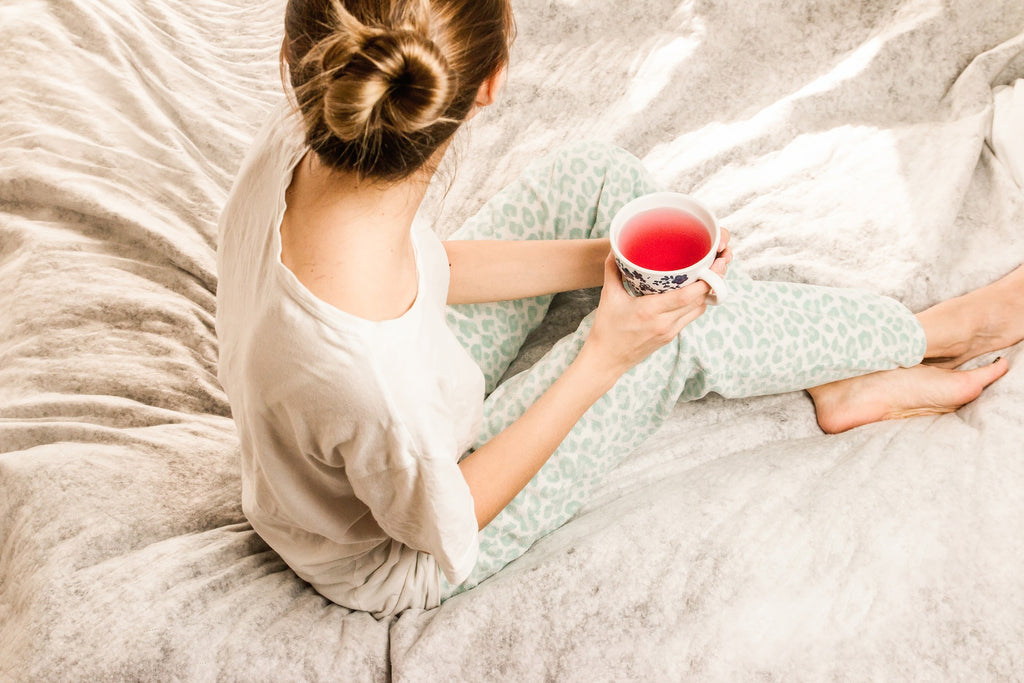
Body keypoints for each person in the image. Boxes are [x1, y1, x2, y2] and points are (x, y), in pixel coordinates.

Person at [215, 0, 1022, 618]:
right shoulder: (367, 381)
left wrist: (603, 262)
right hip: (401, 550)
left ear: (295, 57)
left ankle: (830, 368)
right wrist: (608, 349)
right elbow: (446, 518)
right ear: (492, 83)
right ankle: (931, 334)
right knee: (666, 338)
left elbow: (428, 268)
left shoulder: (306, 138)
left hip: (407, 386)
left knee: (597, 181)